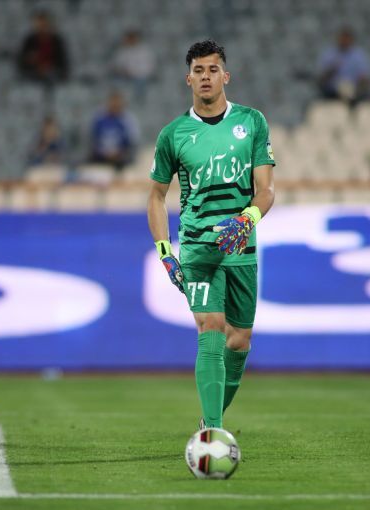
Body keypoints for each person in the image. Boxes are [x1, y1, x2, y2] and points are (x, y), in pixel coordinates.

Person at [146, 40, 275, 430]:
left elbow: (266, 191)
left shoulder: (252, 122)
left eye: (212, 70)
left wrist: (247, 219)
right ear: (188, 79)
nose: (205, 77)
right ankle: (214, 433)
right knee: (211, 328)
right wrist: (166, 252)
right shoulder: (174, 134)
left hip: (241, 247)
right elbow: (156, 196)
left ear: (225, 76)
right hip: (199, 248)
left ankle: (208, 421)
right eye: (198, 71)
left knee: (240, 340)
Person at [317, 27, 370, 100]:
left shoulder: (359, 56)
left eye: (347, 39)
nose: (344, 41)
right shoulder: (330, 55)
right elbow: (321, 79)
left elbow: (365, 77)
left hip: (354, 93)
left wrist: (362, 83)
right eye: (342, 39)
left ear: (351, 40)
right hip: (332, 93)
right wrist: (331, 70)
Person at [89, 91, 138, 170]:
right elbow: (93, 139)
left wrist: (119, 153)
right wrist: (104, 153)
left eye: (117, 103)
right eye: (113, 102)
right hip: (101, 155)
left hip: (120, 157)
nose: (115, 105)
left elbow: (132, 142)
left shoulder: (128, 120)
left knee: (124, 162)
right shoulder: (99, 118)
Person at [17, 11, 69, 84]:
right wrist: (31, 62)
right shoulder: (29, 41)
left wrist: (50, 67)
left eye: (45, 24)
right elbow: (21, 62)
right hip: (32, 77)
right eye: (40, 24)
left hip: (54, 77)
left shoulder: (57, 41)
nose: (42, 27)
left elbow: (63, 63)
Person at [110, 30, 156, 100]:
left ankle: (139, 100)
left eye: (132, 38)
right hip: (125, 77)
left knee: (140, 83)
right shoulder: (122, 51)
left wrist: (136, 73)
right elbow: (117, 65)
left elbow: (150, 66)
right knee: (115, 83)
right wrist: (123, 71)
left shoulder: (145, 50)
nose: (130, 41)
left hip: (142, 77)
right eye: (128, 39)